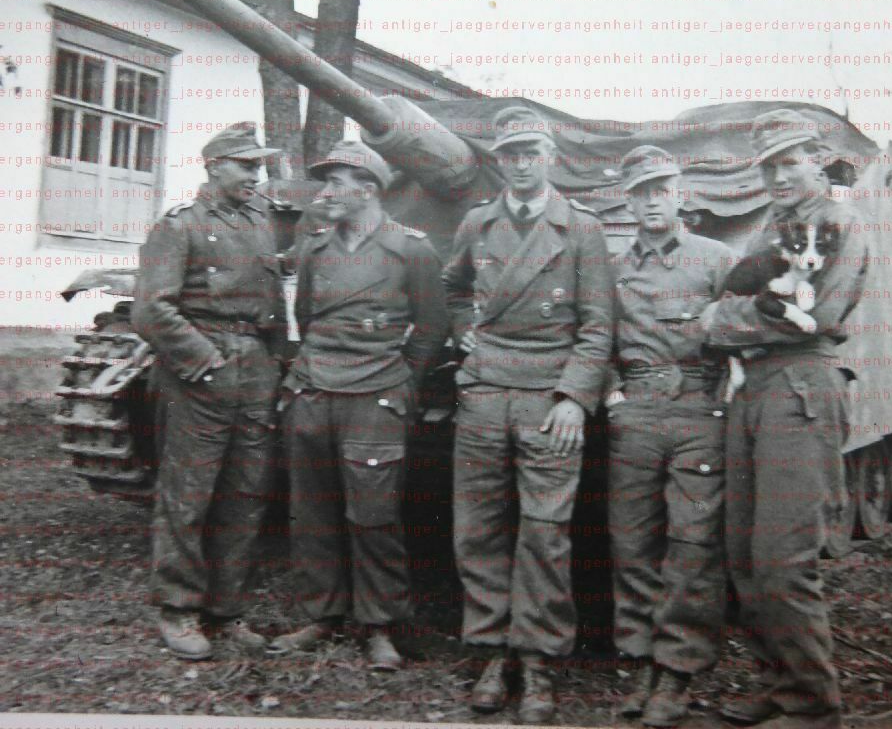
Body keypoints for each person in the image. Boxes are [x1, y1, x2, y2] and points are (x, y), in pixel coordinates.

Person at [443, 105, 615, 724]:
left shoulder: (581, 229)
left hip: (549, 396)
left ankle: (538, 659)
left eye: (530, 153)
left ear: (550, 158)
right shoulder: (478, 222)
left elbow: (598, 326)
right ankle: (491, 651)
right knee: (480, 527)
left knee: (544, 531)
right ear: (501, 161)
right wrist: (466, 331)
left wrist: (574, 396)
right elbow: (453, 288)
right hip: (486, 388)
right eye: (510, 154)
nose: (520, 164)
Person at [701, 109, 869, 729]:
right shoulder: (774, 228)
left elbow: (813, 315)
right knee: (744, 552)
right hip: (755, 388)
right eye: (768, 165)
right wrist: (737, 316)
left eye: (789, 160)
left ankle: (813, 703)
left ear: (818, 160)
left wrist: (720, 326)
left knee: (783, 557)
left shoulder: (837, 223)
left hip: (802, 383)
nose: (777, 175)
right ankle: (779, 685)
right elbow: (734, 294)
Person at [268, 141, 448, 671]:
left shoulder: (411, 249)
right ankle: (321, 615)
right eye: (326, 183)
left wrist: (400, 382)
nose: (327, 193)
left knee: (374, 516)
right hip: (315, 391)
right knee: (313, 511)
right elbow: (306, 320)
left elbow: (433, 326)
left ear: (367, 189)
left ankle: (380, 625)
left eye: (337, 183)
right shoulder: (316, 247)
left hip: (376, 395)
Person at [132, 122, 286, 660]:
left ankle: (226, 610)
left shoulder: (261, 219)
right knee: (189, 494)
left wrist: (274, 361)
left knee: (246, 493)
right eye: (246, 165)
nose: (256, 175)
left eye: (259, 166)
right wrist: (204, 360)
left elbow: (273, 299)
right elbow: (151, 307)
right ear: (215, 166)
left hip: (256, 367)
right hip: (202, 369)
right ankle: (178, 608)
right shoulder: (181, 226)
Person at [605, 146, 737, 726]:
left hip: (697, 412)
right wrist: (611, 395)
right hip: (635, 412)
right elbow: (593, 333)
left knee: (691, 544)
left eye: (661, 188)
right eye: (641, 191)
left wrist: (727, 397)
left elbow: (743, 333)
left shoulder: (717, 259)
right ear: (628, 201)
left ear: (680, 194)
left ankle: (677, 670)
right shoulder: (613, 269)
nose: (652, 200)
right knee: (631, 539)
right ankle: (639, 660)